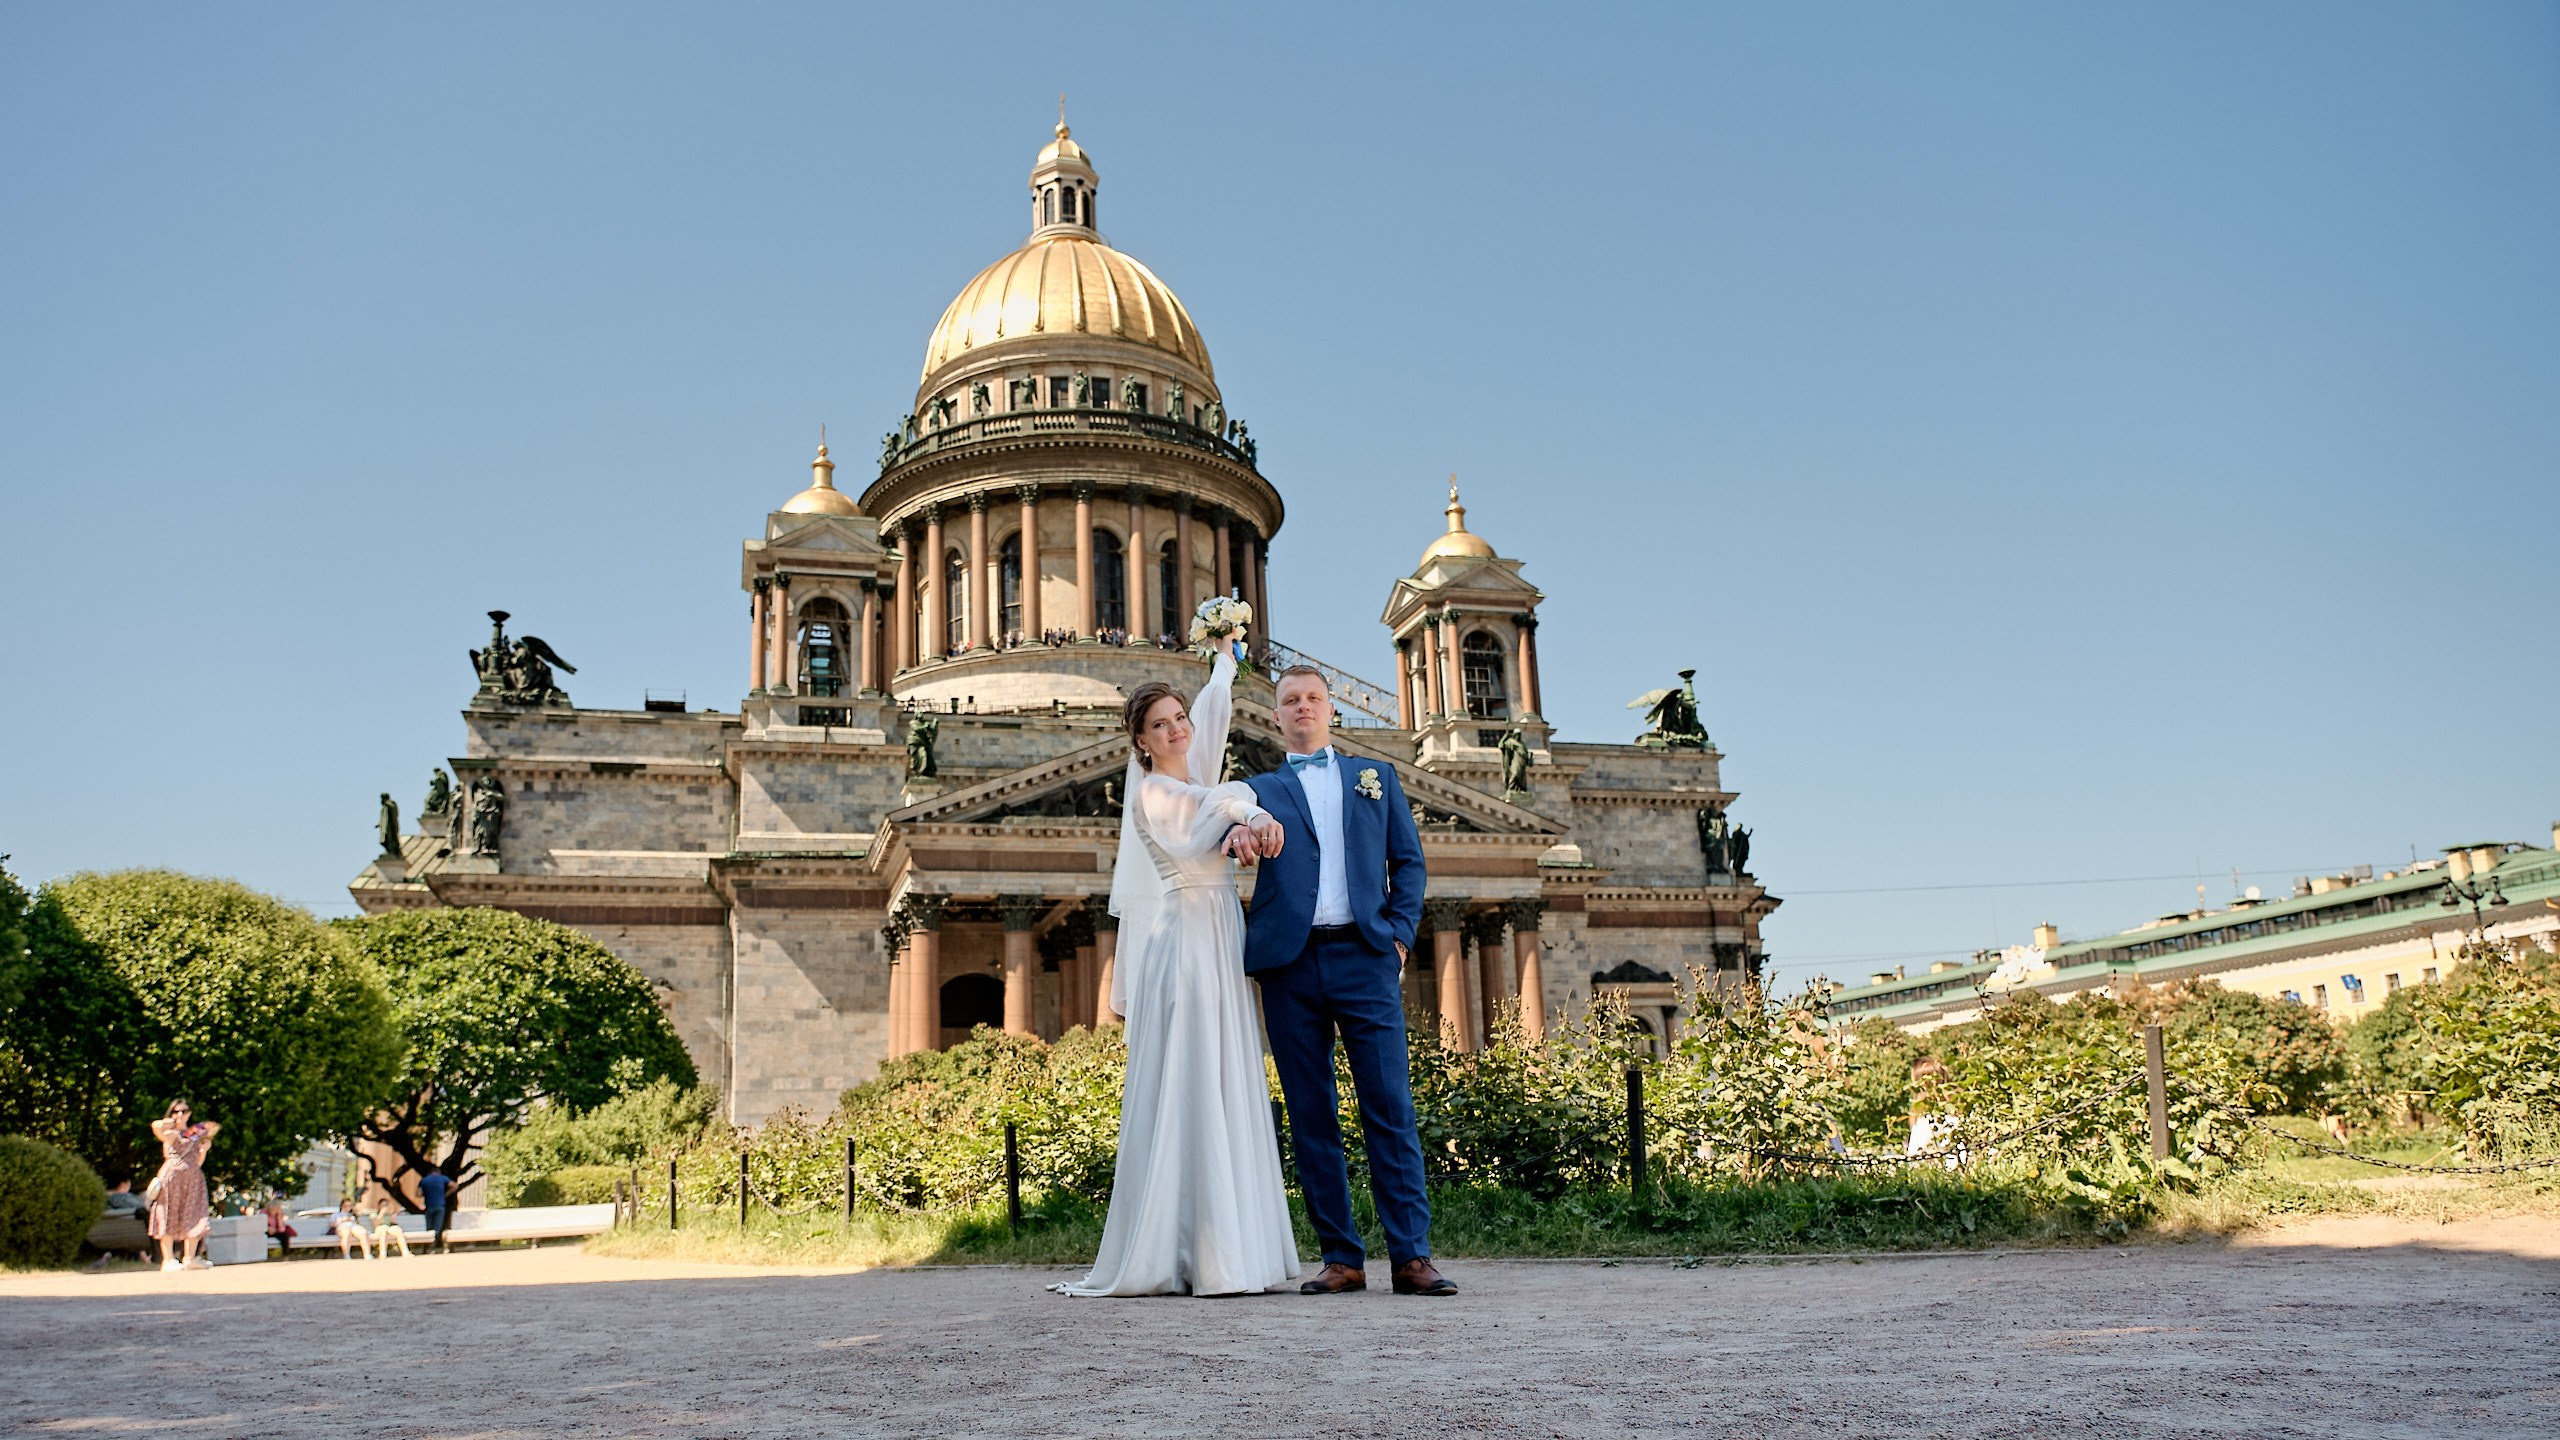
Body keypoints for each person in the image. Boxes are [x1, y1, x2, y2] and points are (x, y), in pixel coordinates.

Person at [1050, 642, 1298, 1297]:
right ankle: (1192, 1251)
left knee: (1222, 1075)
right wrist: (1250, 809)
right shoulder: (1159, 790)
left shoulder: (1196, 781)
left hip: (1215, 936)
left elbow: (1216, 730)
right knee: (1191, 1076)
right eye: (1160, 723)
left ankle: (1232, 1248)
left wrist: (1222, 663)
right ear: (1140, 740)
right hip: (1186, 941)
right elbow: (1199, 830)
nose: (1177, 728)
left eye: (1179, 717)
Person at [1234, 665, 1452, 1296]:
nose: (1302, 707)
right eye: (1290, 700)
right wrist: (1241, 830)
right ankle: (1341, 1257)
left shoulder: (1376, 778)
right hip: (1290, 964)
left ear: (1331, 710)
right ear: (1275, 716)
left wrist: (1400, 938)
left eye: (1313, 698)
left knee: (1389, 1106)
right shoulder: (1256, 789)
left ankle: (1412, 1256)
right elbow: (1226, 831)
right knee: (1311, 1113)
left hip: (1365, 956)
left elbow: (1408, 864)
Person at [146, 1100, 218, 1272]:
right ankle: (168, 1259)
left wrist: (204, 1150)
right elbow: (155, 1127)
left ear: (190, 1112)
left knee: (194, 1213)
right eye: (175, 1111)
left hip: (193, 1177)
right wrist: (169, 1122)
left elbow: (198, 1161)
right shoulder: (170, 1133)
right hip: (172, 1177)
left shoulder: (195, 1134)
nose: (179, 1114)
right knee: (168, 1213)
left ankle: (190, 1257)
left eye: (183, 1111)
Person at [420, 1168, 452, 1250]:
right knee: (437, 1227)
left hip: (429, 1206)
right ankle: (433, 1246)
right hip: (440, 1206)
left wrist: (427, 1193)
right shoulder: (443, 1178)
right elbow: (454, 1185)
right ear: (438, 1172)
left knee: (429, 1228)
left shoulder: (424, 1180)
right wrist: (445, 1194)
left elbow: (418, 1193)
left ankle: (428, 1247)